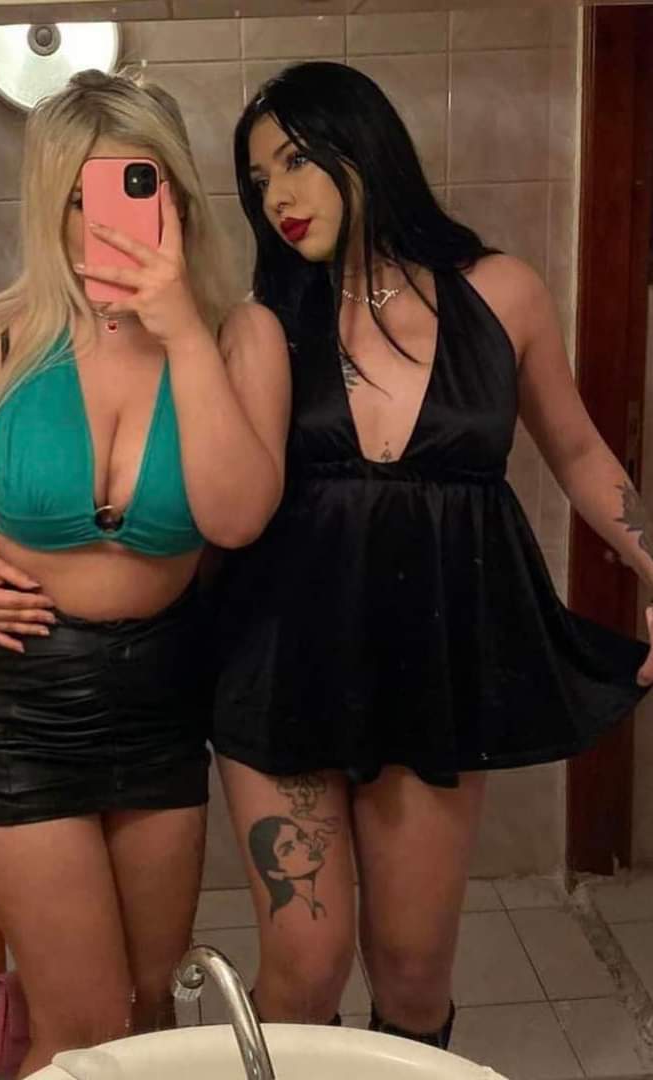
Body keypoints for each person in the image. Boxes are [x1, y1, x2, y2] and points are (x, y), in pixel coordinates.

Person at [212, 60, 653, 1050]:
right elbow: (226, 498)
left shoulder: (503, 292)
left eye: (297, 159)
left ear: (365, 144)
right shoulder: (266, 319)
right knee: (305, 964)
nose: (276, 195)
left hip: (434, 662)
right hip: (282, 662)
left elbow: (581, 451)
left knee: (413, 970)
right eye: (258, 178)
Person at [0, 69, 290, 1075]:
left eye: (138, 186)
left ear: (178, 194)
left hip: (163, 697)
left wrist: (181, 330)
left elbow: (237, 517)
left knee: (151, 1006)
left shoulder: (240, 335)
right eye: (83, 196)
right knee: (81, 1026)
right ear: (53, 206)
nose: (112, 221)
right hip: (18, 703)